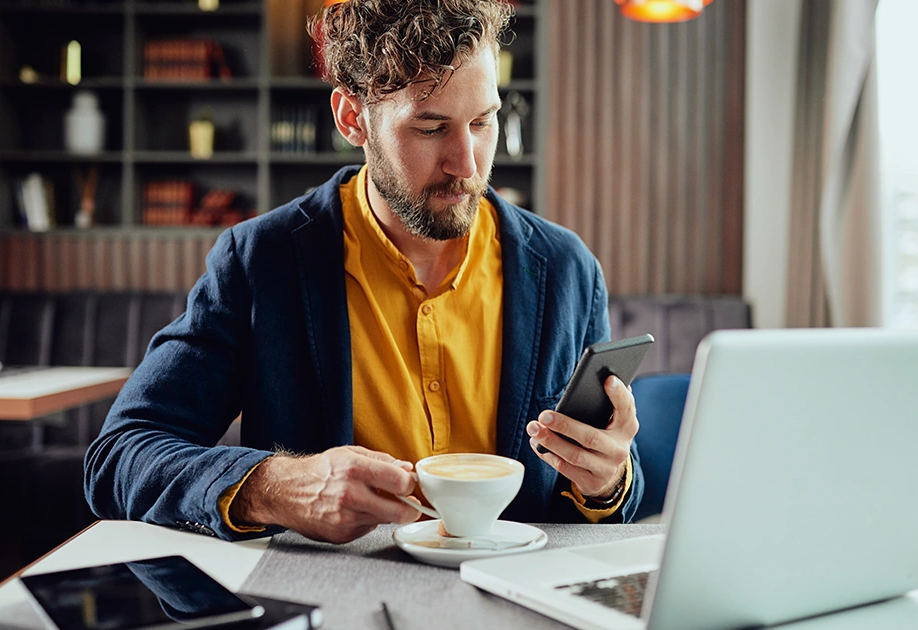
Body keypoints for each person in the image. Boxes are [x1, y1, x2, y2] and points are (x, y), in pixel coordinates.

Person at [84, 0, 644, 544]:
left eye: (482, 121)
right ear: (352, 118)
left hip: (511, 590)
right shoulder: (260, 261)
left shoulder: (568, 269)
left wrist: (608, 481)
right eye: (430, 128)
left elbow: (610, 488)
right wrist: (276, 487)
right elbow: (119, 456)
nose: (467, 164)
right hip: (321, 591)